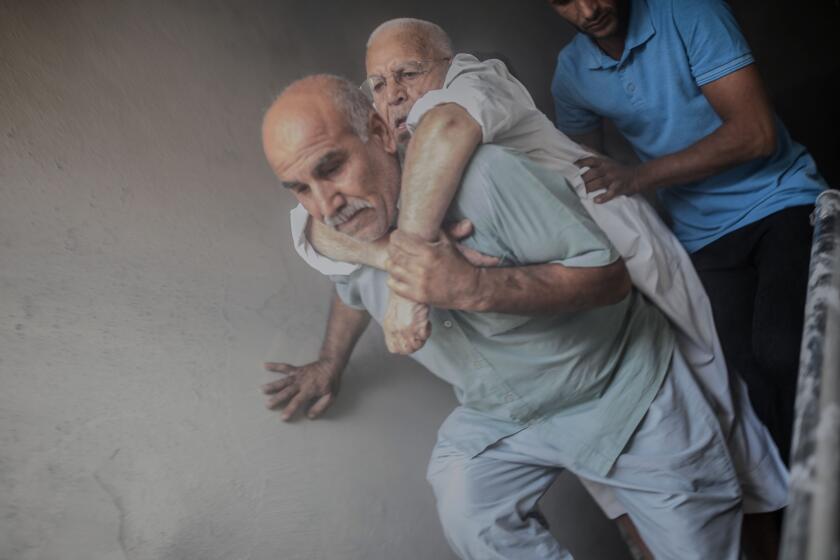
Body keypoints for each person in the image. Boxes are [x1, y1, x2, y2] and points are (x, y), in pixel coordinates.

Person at [288, 18, 787, 557]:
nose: (395, 94)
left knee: (717, 429)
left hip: (623, 259)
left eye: (408, 72)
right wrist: (340, 343)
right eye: (378, 85)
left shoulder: (478, 84)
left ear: (449, 65)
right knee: (618, 496)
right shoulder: (379, 178)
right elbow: (314, 234)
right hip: (563, 352)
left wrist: (412, 285)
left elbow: (447, 129)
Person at [547, 0, 828, 463]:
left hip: (780, 198)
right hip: (700, 235)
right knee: (747, 378)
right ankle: (810, 507)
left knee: (783, 351)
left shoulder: (690, 12)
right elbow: (583, 174)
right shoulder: (572, 72)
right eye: (566, 1)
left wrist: (639, 176)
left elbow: (757, 133)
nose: (588, 8)